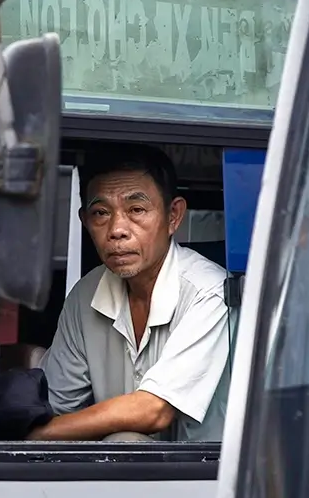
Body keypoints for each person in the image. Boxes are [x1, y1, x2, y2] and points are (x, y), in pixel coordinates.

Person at [32, 144, 231, 442]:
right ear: (85, 221)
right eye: (101, 213)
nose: (117, 230)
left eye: (136, 210)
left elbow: (153, 410)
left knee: (125, 443)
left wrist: (35, 435)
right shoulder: (85, 295)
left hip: (207, 479)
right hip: (124, 478)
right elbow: (56, 404)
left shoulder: (209, 290)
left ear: (173, 216)